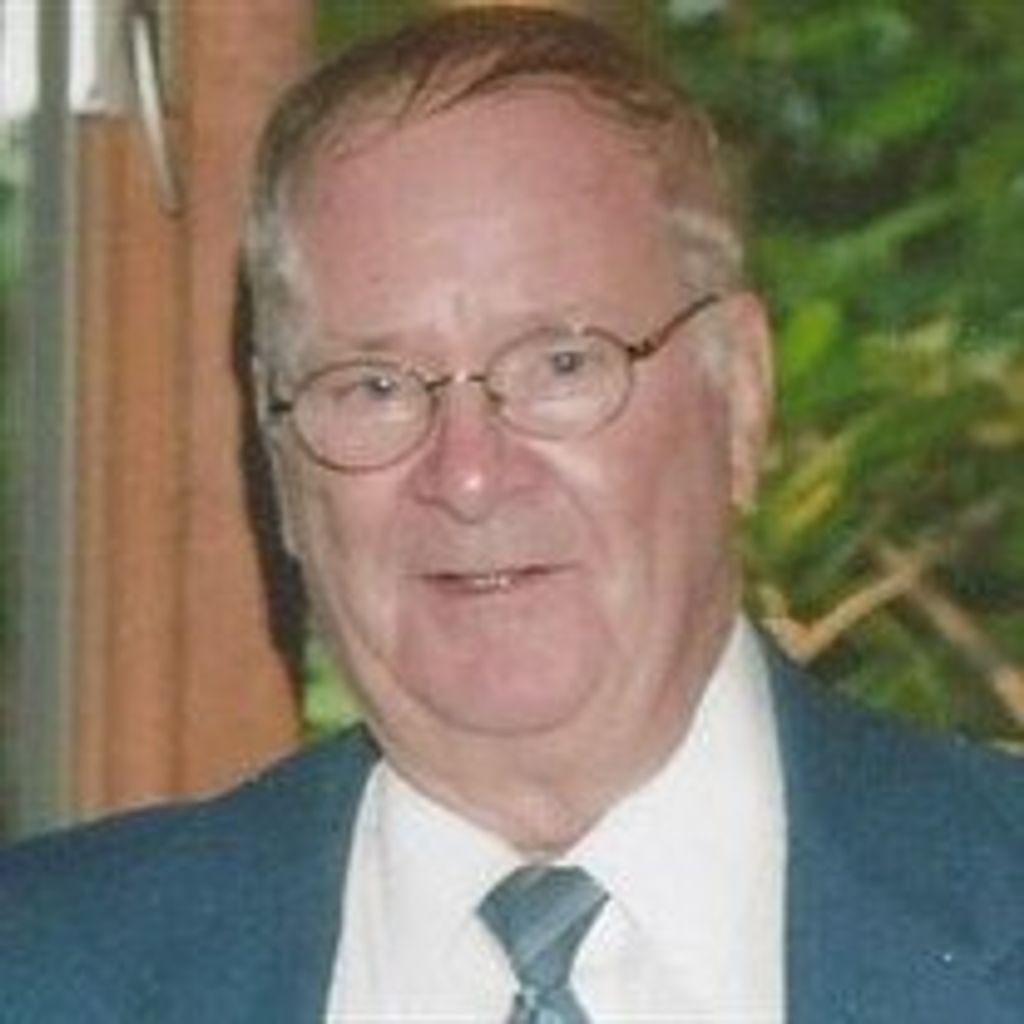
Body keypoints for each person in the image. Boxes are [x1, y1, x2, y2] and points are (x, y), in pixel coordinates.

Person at [1, 8, 1021, 1022]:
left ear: (740, 399)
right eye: (373, 386)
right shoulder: (40, 968)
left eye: (562, 364)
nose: (470, 476)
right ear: (282, 465)